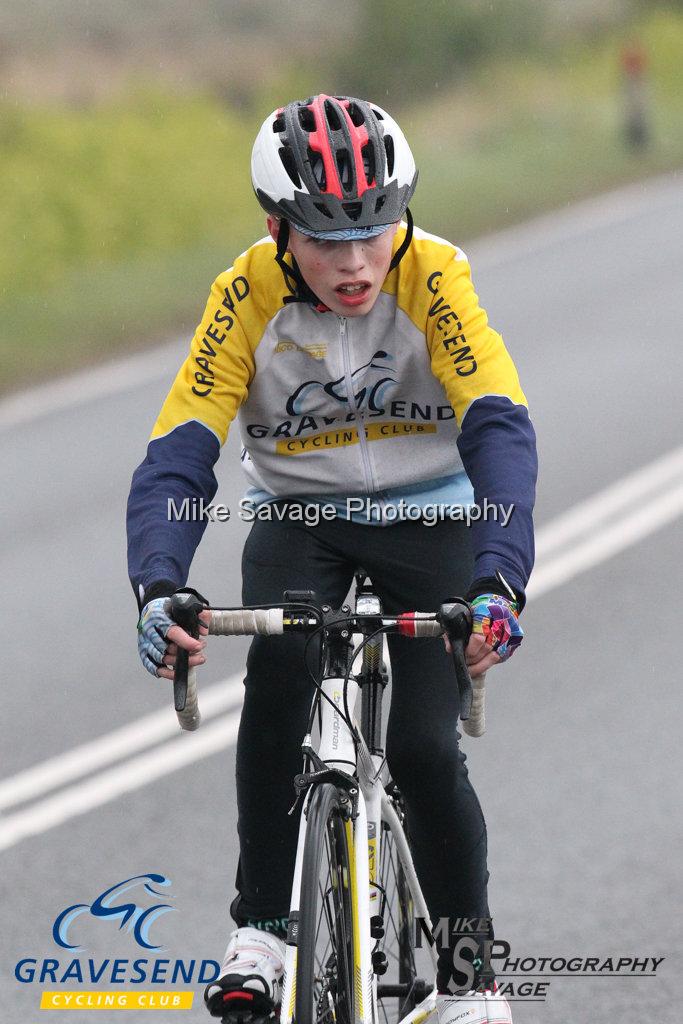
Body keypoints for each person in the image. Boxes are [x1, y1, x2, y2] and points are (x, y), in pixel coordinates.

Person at [128, 93, 537, 1024]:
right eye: (323, 238)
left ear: (403, 216)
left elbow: (500, 429)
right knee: (277, 672)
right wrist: (158, 584)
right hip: (302, 516)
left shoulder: (433, 275)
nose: (354, 263)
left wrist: (498, 580)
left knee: (426, 750)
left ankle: (469, 976)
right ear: (277, 230)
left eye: (375, 232)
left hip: (434, 515)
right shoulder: (245, 293)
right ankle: (263, 931)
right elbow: (179, 455)